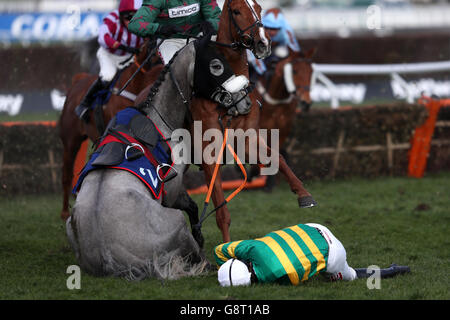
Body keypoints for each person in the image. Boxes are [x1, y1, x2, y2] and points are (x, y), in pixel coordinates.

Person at [214, 223, 410, 286]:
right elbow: (218, 251)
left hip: (333, 252)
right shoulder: (250, 249)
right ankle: (394, 269)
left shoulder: (277, 278)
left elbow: (304, 272)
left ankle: (392, 270)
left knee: (349, 276)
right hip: (313, 226)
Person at [75, 0, 144, 122]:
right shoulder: (113, 18)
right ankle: (84, 104)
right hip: (109, 55)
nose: (132, 21)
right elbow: (103, 38)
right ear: (121, 16)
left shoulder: (144, 23)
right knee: (108, 76)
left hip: (128, 58)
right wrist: (119, 45)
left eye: (135, 17)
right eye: (128, 17)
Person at [128, 0, 221, 65]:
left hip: (199, 37)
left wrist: (211, 24)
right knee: (177, 72)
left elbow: (219, 19)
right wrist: (159, 28)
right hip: (171, 41)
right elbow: (134, 24)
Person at [247, 7, 301, 83]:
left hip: (276, 49)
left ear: (281, 27)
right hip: (258, 49)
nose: (272, 32)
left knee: (282, 52)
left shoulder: (287, 31)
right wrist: (262, 71)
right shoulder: (256, 29)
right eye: (269, 28)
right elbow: (251, 55)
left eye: (276, 29)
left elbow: (296, 52)